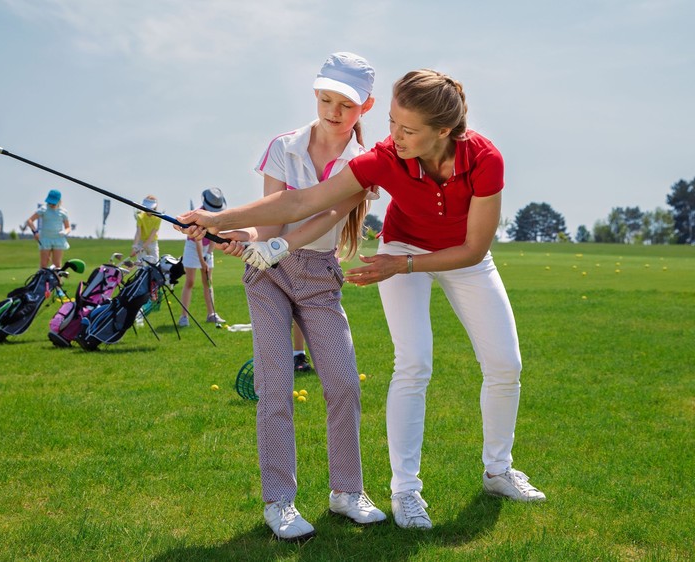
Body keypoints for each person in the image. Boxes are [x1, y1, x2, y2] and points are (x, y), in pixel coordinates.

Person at [178, 69, 546, 531]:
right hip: (403, 247)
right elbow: (300, 204)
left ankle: (498, 470)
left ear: (444, 132)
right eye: (392, 123)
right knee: (414, 362)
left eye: (408, 130)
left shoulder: (485, 159)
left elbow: (473, 249)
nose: (394, 137)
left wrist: (402, 268)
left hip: (460, 257)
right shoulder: (383, 158)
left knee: (505, 364)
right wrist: (219, 218)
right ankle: (406, 492)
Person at [190, 52, 385, 541]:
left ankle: (346, 492)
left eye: (346, 104)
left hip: (319, 273)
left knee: (343, 384)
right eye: (325, 99)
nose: (333, 112)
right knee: (275, 387)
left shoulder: (364, 163)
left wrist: (244, 229)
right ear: (314, 95)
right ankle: (280, 502)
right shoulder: (284, 147)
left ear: (366, 107)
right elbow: (273, 218)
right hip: (269, 276)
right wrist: (245, 240)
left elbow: (321, 215)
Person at [179, 188, 227, 327]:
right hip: (193, 247)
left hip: (207, 249)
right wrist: (202, 260)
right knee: (190, 282)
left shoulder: (216, 217)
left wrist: (209, 254)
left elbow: (214, 237)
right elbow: (198, 240)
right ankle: (184, 317)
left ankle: (211, 314)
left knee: (208, 281)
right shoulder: (197, 216)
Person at [24, 189, 71, 269]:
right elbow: (29, 221)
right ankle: (42, 281)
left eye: (53, 202)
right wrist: (35, 232)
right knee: (43, 265)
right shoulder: (43, 209)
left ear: (59, 201)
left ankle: (57, 281)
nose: (51, 204)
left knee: (57, 266)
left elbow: (68, 227)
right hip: (45, 239)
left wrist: (65, 232)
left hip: (58, 240)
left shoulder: (63, 212)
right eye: (50, 202)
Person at [131, 195, 161, 263]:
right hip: (141, 241)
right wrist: (135, 247)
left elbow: (152, 235)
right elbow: (138, 233)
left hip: (152, 242)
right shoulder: (140, 216)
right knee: (140, 264)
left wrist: (142, 248)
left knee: (156, 264)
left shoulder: (158, 218)